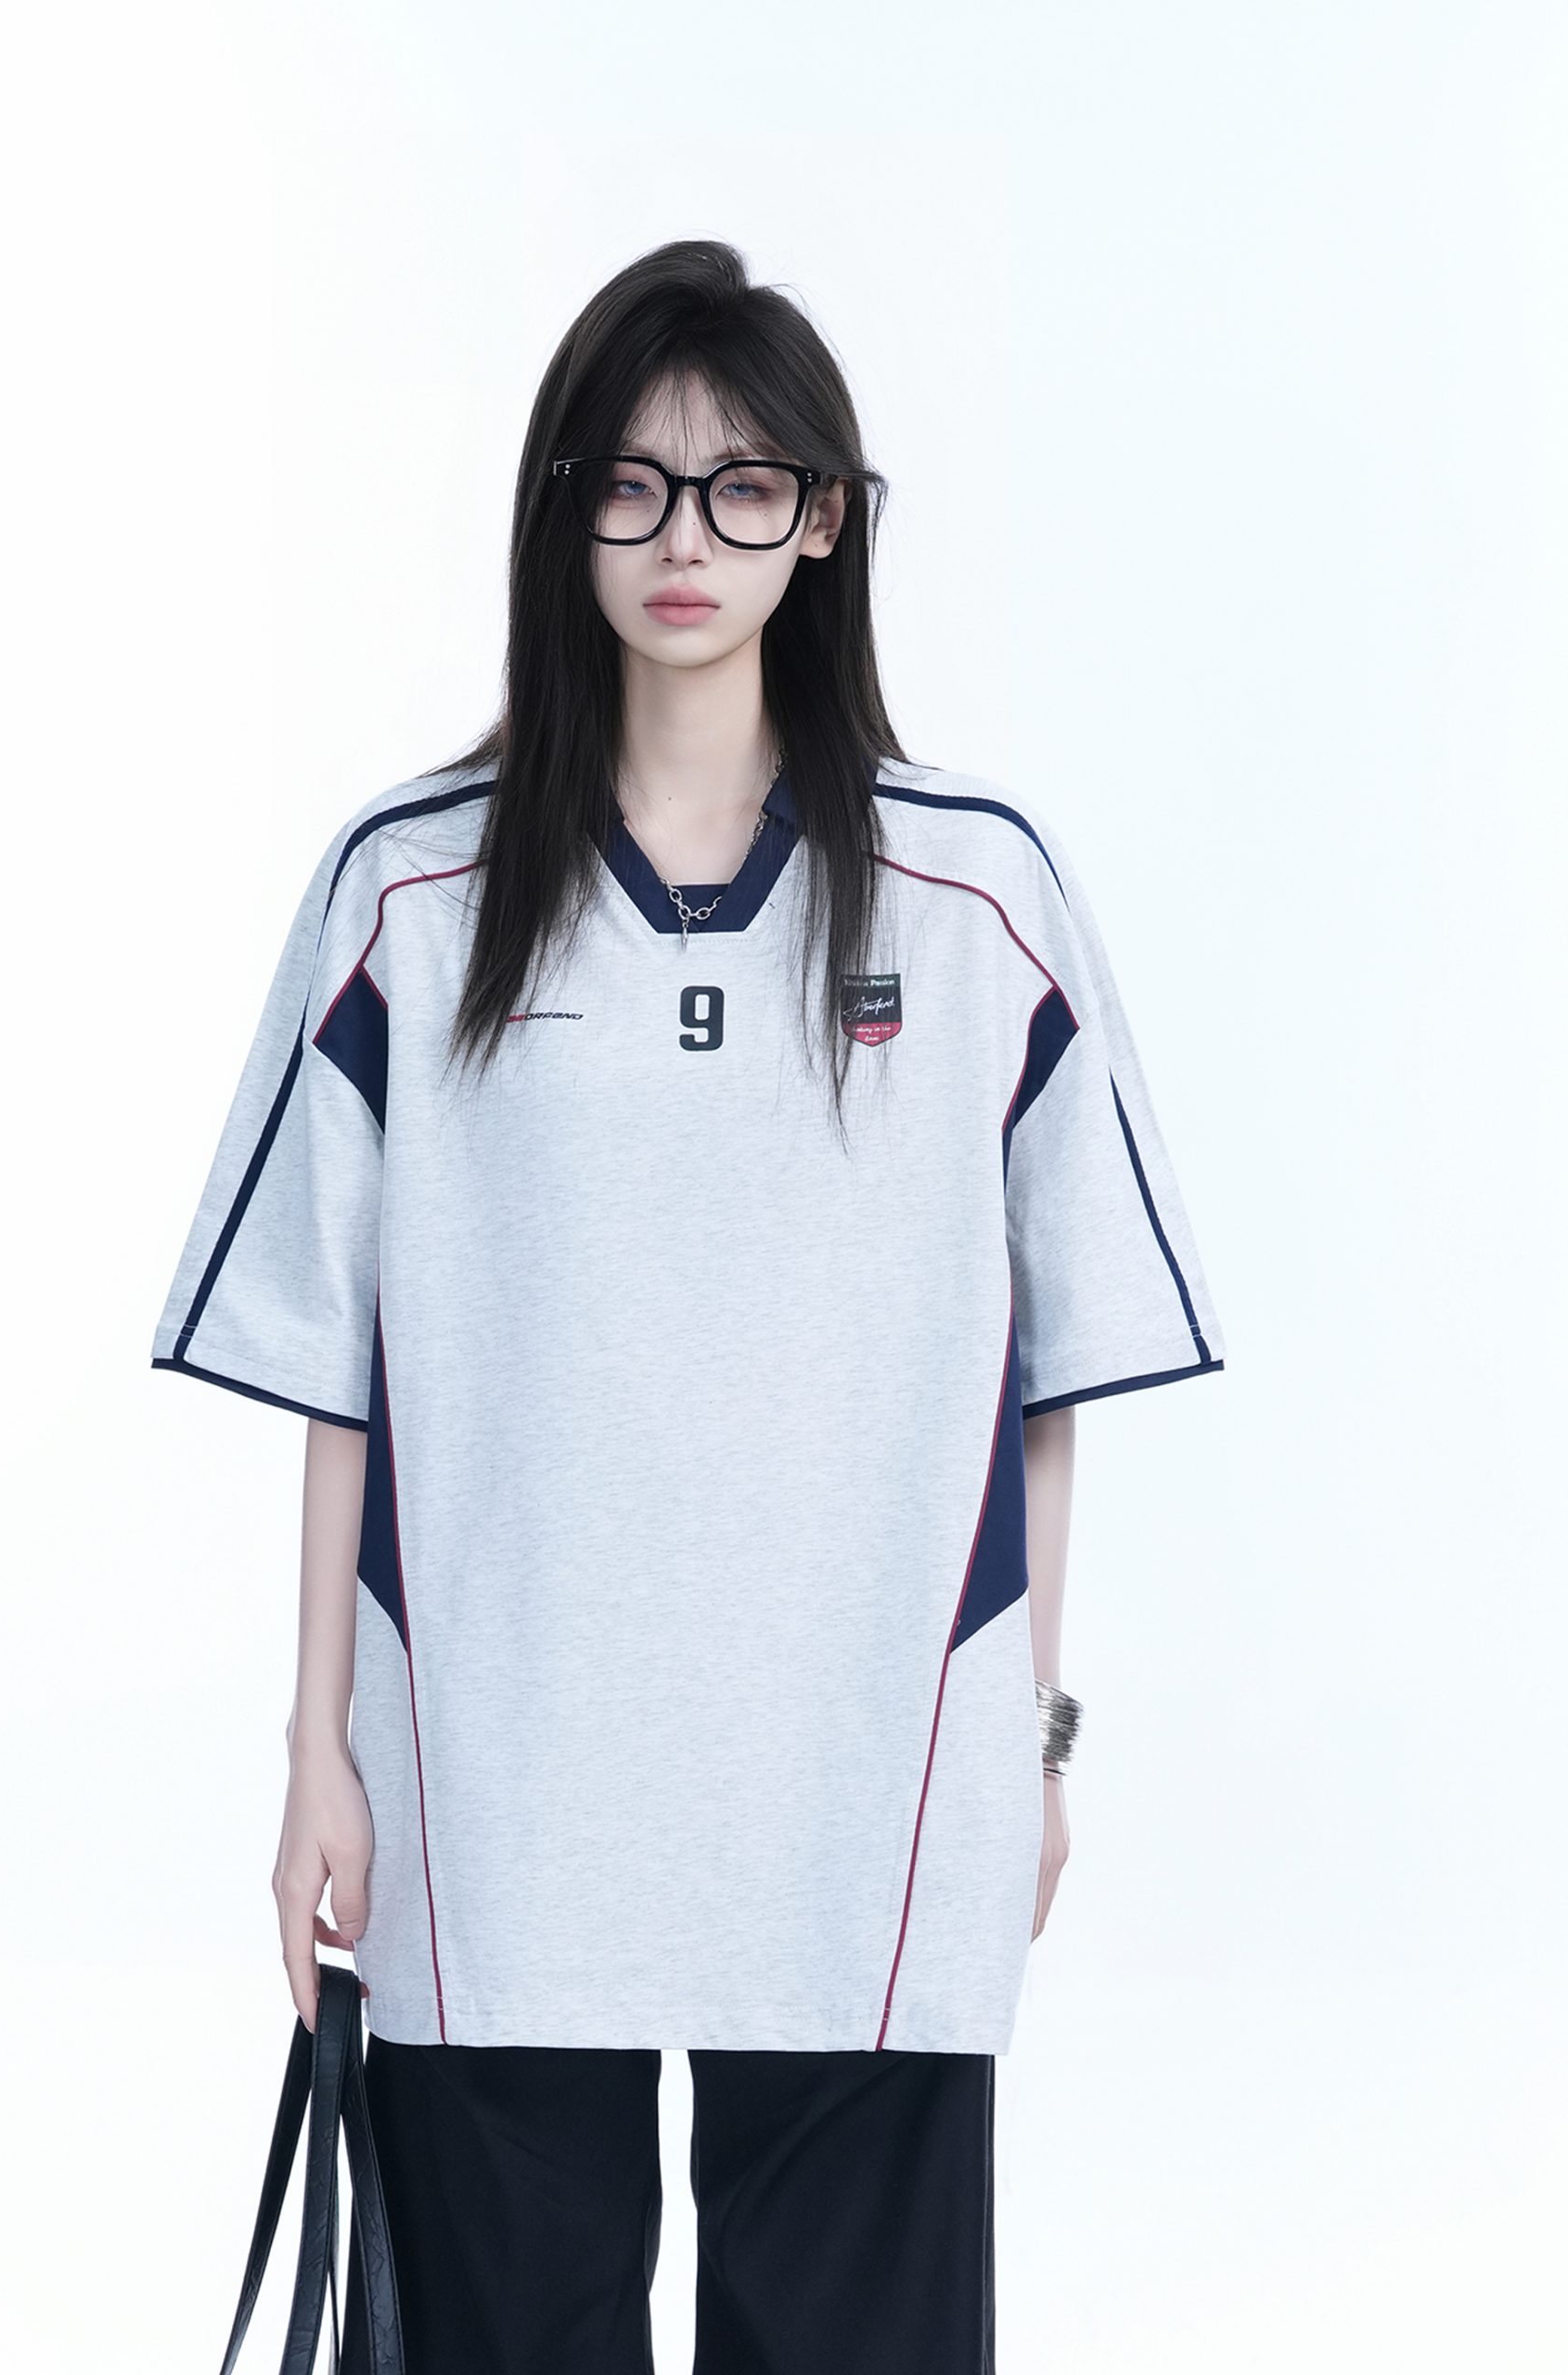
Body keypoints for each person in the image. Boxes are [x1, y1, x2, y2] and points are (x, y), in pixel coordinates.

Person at [151, 238, 1227, 2373]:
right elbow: (339, 1370)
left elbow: (1051, 1378)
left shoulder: (979, 892)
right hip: (496, 1776)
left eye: (744, 488)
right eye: (631, 485)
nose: (684, 539)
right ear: (562, 513)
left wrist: (1030, 1740)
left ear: (824, 522)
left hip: (865, 1782)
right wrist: (314, 1748)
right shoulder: (411, 887)